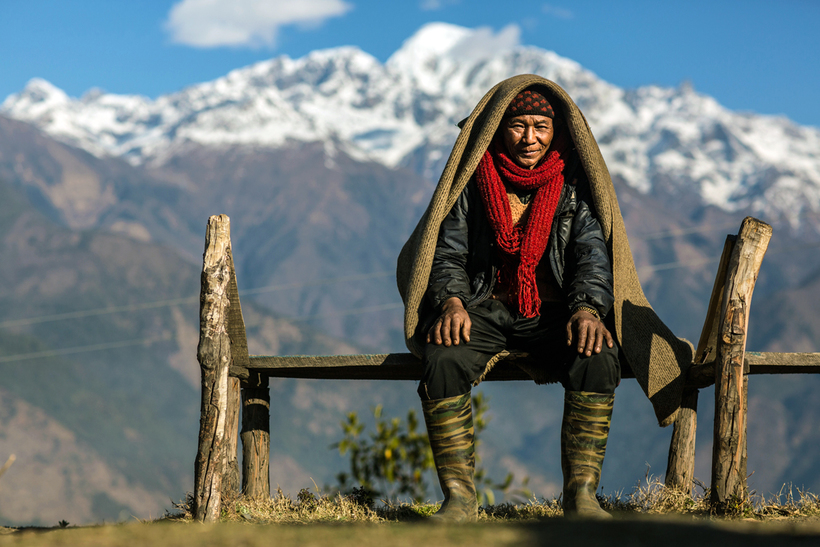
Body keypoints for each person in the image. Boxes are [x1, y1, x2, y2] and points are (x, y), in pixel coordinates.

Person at [397, 75, 694, 522]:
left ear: (555, 131)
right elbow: (447, 253)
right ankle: (459, 500)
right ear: (499, 128)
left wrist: (588, 309)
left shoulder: (573, 187)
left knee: (598, 353)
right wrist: (452, 303)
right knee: (443, 355)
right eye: (519, 125)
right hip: (483, 308)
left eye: (540, 125)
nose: (530, 137)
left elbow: (592, 256)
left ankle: (581, 497)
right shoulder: (475, 183)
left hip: (557, 314)